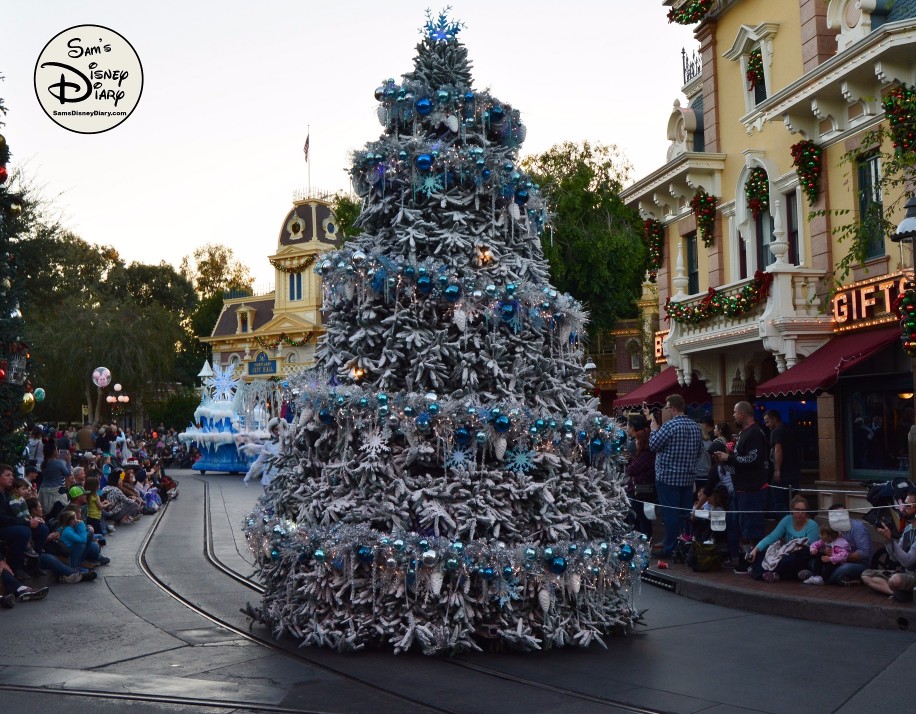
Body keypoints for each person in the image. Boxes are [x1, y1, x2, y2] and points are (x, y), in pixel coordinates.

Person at [713, 401, 769, 572]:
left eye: (736, 412)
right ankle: (748, 559)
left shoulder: (754, 434)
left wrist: (728, 458)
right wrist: (724, 460)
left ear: (743, 414)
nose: (733, 416)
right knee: (742, 527)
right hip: (741, 489)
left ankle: (758, 562)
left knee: (753, 528)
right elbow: (739, 463)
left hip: (753, 489)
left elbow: (753, 459)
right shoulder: (744, 434)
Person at [646, 394, 703, 559]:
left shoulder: (669, 426)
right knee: (685, 513)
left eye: (667, 407)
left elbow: (654, 445)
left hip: (668, 477)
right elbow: (699, 452)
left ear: (673, 408)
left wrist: (654, 429)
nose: (667, 410)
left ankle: (670, 547)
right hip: (687, 477)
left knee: (670, 514)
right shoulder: (695, 427)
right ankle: (683, 543)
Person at [746, 494, 820, 582]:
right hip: (784, 553)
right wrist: (756, 549)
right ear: (792, 510)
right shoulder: (787, 520)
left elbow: (811, 548)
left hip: (798, 556)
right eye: (797, 510)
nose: (800, 513)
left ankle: (759, 572)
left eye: (803, 511)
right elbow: (772, 536)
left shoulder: (812, 525)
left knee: (790, 559)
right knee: (759, 553)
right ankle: (768, 574)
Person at [862, 492, 916, 601]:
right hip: (905, 573)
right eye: (903, 504)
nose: (903, 508)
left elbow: (907, 561)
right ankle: (896, 594)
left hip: (913, 575)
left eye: (908, 506)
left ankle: (904, 592)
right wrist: (887, 539)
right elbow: (894, 558)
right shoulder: (908, 528)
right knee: (866, 575)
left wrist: (891, 539)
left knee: (895, 580)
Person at [763, 410, 800, 516]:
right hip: (794, 472)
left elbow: (778, 450)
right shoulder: (788, 429)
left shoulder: (776, 431)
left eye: (768, 421)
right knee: (793, 501)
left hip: (784, 473)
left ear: (774, 419)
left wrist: (777, 470)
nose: (766, 425)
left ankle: (786, 525)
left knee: (779, 503)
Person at [823, 504, 872, 585]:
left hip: (860, 563)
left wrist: (843, 557)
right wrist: (827, 551)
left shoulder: (857, 528)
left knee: (844, 569)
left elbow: (864, 552)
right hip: (837, 560)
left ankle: (825, 581)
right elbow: (827, 545)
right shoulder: (833, 528)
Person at [625, 414, 655, 540]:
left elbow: (631, 469)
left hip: (641, 489)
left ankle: (645, 538)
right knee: (641, 517)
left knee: (642, 517)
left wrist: (631, 461)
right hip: (640, 488)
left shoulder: (646, 454)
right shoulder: (644, 453)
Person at [38, 442, 71, 515]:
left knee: (45, 512)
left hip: (43, 489)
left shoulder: (43, 463)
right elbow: (67, 473)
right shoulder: (58, 463)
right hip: (56, 491)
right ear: (53, 452)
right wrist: (68, 461)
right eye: (56, 449)